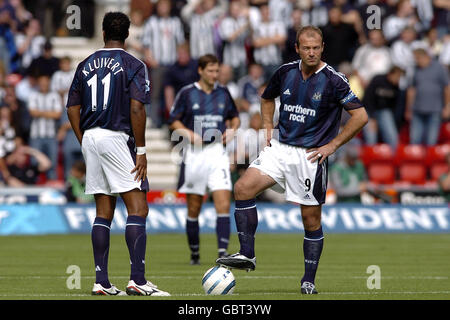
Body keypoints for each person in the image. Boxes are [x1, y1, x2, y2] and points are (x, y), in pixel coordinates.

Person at [216, 26, 368, 295]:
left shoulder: (335, 80)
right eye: (306, 48)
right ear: (297, 48)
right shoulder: (285, 71)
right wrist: (266, 128)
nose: (311, 52)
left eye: (316, 48)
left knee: (310, 221)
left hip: (310, 156)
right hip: (280, 148)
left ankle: (308, 279)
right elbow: (266, 99)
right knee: (242, 188)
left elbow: (360, 117)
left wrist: (332, 145)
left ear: (322, 48)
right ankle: (247, 254)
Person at [66, 12, 170, 296]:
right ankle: (137, 279)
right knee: (138, 208)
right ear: (127, 33)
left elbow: (71, 107)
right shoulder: (134, 64)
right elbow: (137, 108)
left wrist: (84, 137)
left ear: (102, 32)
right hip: (116, 137)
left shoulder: (85, 63)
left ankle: (101, 281)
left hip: (91, 137)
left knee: (103, 211)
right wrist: (142, 150)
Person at [168, 54, 240, 265]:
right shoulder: (187, 93)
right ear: (200, 71)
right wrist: (188, 134)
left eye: (216, 71)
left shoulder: (223, 93)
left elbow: (234, 116)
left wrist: (233, 129)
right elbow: (173, 120)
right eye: (210, 70)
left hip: (217, 151)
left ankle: (222, 254)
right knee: (194, 207)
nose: (214, 75)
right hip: (194, 153)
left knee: (224, 203)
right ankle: (195, 254)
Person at [405, 48, 450, 145]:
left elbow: (447, 88)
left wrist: (447, 107)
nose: (416, 61)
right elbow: (411, 90)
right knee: (415, 141)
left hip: (435, 110)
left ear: (425, 56)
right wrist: (409, 109)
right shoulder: (414, 69)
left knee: (431, 141)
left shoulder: (439, 68)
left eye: (417, 58)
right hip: (417, 110)